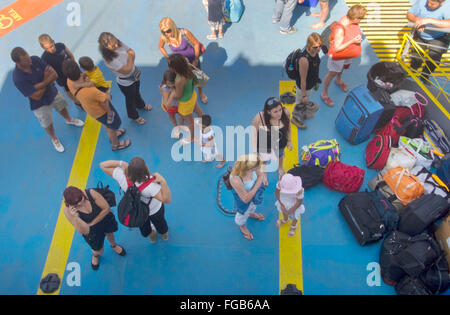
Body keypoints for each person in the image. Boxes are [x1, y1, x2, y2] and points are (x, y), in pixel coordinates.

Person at [11, 47, 84, 153]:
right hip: (39, 104)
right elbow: (37, 96)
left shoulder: (35, 59)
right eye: (25, 60)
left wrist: (38, 86)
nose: (29, 60)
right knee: (47, 123)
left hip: (52, 93)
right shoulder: (18, 78)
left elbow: (54, 74)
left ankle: (69, 119)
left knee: (62, 106)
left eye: (27, 55)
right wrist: (46, 80)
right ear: (18, 63)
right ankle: (54, 138)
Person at [62, 59, 130, 151]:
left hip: (92, 110)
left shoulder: (69, 81)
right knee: (111, 126)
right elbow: (107, 98)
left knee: (106, 124)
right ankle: (115, 144)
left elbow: (81, 79)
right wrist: (107, 93)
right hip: (102, 111)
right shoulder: (91, 91)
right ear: (79, 69)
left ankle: (114, 134)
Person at [100, 158, 171, 243]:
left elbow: (103, 165)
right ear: (145, 169)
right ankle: (164, 234)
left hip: (138, 212)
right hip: (154, 210)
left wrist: (121, 163)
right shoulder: (151, 185)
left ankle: (151, 236)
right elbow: (166, 199)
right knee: (160, 222)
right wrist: (163, 181)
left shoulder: (122, 176)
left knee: (144, 226)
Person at [63, 186, 126, 270]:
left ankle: (113, 245)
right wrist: (75, 218)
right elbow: (82, 231)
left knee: (110, 234)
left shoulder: (90, 193)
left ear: (82, 194)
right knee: (99, 250)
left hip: (105, 220)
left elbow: (106, 208)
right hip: (91, 231)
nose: (79, 204)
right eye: (75, 204)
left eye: (80, 199)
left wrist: (92, 223)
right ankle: (95, 255)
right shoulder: (68, 211)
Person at [98, 32, 152, 125]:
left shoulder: (118, 42)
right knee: (130, 100)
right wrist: (130, 59)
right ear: (106, 47)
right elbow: (126, 70)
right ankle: (134, 116)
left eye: (116, 42)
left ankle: (140, 105)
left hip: (134, 74)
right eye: (113, 46)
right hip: (126, 82)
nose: (116, 45)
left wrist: (129, 63)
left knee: (137, 93)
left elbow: (131, 51)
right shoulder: (110, 59)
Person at [320, 5, 367, 107]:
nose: (360, 21)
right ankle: (324, 94)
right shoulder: (340, 29)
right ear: (355, 19)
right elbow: (337, 48)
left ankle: (338, 80)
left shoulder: (350, 19)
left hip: (347, 53)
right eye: (360, 19)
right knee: (331, 73)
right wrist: (353, 41)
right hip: (338, 55)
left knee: (342, 68)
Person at [158, 17, 209, 104]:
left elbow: (196, 44)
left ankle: (201, 93)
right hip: (179, 64)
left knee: (199, 78)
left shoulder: (184, 33)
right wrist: (168, 57)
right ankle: (187, 94)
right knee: (182, 81)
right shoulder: (164, 37)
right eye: (164, 32)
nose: (167, 34)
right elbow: (160, 47)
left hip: (192, 61)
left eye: (168, 31)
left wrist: (196, 59)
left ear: (173, 27)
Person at [407, 0, 450, 84]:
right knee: (416, 56)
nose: (429, 4)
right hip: (420, 34)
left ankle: (425, 76)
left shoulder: (448, 5)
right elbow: (409, 14)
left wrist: (429, 20)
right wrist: (418, 20)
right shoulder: (422, 1)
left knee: (434, 58)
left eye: (433, 4)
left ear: (442, 2)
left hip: (439, 37)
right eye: (428, 2)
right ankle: (412, 71)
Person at [167, 54, 204, 145]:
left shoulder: (179, 80)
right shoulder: (188, 68)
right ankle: (205, 124)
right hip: (192, 95)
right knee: (199, 112)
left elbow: (178, 95)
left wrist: (171, 94)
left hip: (185, 103)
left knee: (190, 122)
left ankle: (191, 138)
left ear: (175, 68)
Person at [252, 97, 293, 178]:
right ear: (268, 112)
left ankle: (280, 167)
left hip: (280, 140)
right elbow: (253, 134)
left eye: (280, 110)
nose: (279, 114)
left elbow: (288, 126)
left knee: (280, 154)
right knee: (264, 159)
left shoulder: (286, 112)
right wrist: (254, 151)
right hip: (264, 142)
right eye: (275, 112)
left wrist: (289, 140)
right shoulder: (259, 118)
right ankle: (264, 172)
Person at [230, 154, 267, 241]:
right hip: (244, 199)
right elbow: (245, 199)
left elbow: (261, 175)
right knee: (242, 214)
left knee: (253, 206)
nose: (259, 168)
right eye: (257, 168)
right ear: (250, 169)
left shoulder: (254, 164)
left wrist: (254, 189)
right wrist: (257, 186)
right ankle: (242, 226)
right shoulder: (236, 179)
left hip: (252, 195)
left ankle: (251, 214)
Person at [293, 33, 323, 129]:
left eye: (320, 46)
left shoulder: (315, 52)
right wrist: (304, 95)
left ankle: (302, 110)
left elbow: (316, 66)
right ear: (309, 46)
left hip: (310, 84)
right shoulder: (304, 60)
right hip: (304, 86)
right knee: (299, 103)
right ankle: (295, 118)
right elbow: (303, 79)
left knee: (303, 102)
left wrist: (317, 79)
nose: (318, 49)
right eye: (315, 47)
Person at [38, 34, 77, 102]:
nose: (51, 49)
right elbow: (48, 73)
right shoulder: (44, 58)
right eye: (47, 48)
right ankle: (77, 102)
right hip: (62, 78)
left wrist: (74, 66)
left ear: (53, 41)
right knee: (68, 90)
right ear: (42, 47)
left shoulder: (61, 46)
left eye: (51, 46)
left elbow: (70, 55)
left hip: (72, 70)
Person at [159, 69, 181, 138]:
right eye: (169, 83)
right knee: (172, 116)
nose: (171, 85)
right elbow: (167, 105)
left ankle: (181, 125)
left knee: (182, 115)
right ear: (165, 82)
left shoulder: (178, 83)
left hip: (179, 104)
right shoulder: (165, 88)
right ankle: (176, 127)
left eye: (172, 83)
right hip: (170, 106)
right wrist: (172, 95)